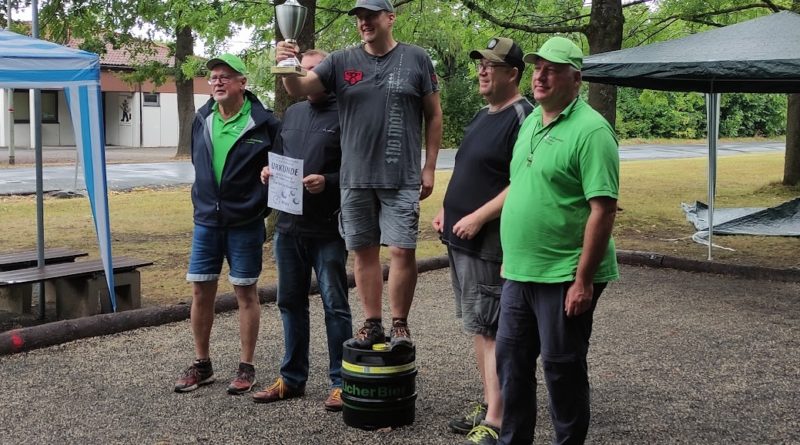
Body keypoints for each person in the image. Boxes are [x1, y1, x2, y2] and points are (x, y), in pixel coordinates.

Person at [274, 0, 442, 351]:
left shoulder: (416, 58)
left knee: (401, 250)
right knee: (363, 252)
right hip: (355, 177)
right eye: (359, 17)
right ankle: (372, 323)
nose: (364, 22)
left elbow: (434, 115)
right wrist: (286, 61)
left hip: (401, 174)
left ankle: (400, 325)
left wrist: (429, 167)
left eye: (371, 15)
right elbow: (299, 89)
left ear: (390, 18)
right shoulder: (341, 60)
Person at [495, 36, 620, 445]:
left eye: (552, 68)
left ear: (576, 78)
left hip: (565, 272)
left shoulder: (592, 131)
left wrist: (583, 280)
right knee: (511, 366)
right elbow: (522, 186)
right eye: (537, 68)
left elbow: (602, 210)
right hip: (520, 271)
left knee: (561, 369)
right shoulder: (531, 120)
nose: (541, 76)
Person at [432, 37, 533, 445]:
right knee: (479, 325)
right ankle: (492, 399)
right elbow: (468, 171)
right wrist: (447, 208)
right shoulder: (482, 114)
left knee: (492, 328)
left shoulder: (523, 117)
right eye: (480, 64)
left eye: (492, 65)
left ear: (514, 73)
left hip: (490, 241)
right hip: (461, 238)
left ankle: (497, 419)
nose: (482, 70)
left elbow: (521, 183)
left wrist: (477, 216)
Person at [252, 50, 352, 412]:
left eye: (312, 71)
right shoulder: (292, 114)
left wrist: (328, 182)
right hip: (289, 228)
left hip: (327, 230)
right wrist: (268, 172)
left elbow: (358, 173)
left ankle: (343, 381)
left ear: (327, 74)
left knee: (335, 306)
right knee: (290, 303)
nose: (306, 77)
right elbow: (278, 157)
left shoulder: (346, 113)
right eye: (301, 71)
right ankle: (292, 378)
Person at [174, 54, 280, 395]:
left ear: (242, 83)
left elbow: (279, 168)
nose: (217, 81)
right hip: (207, 220)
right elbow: (199, 162)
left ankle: (246, 366)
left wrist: (258, 200)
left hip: (245, 221)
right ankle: (202, 364)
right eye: (213, 77)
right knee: (200, 290)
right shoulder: (202, 118)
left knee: (245, 292)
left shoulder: (264, 124)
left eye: (225, 76)